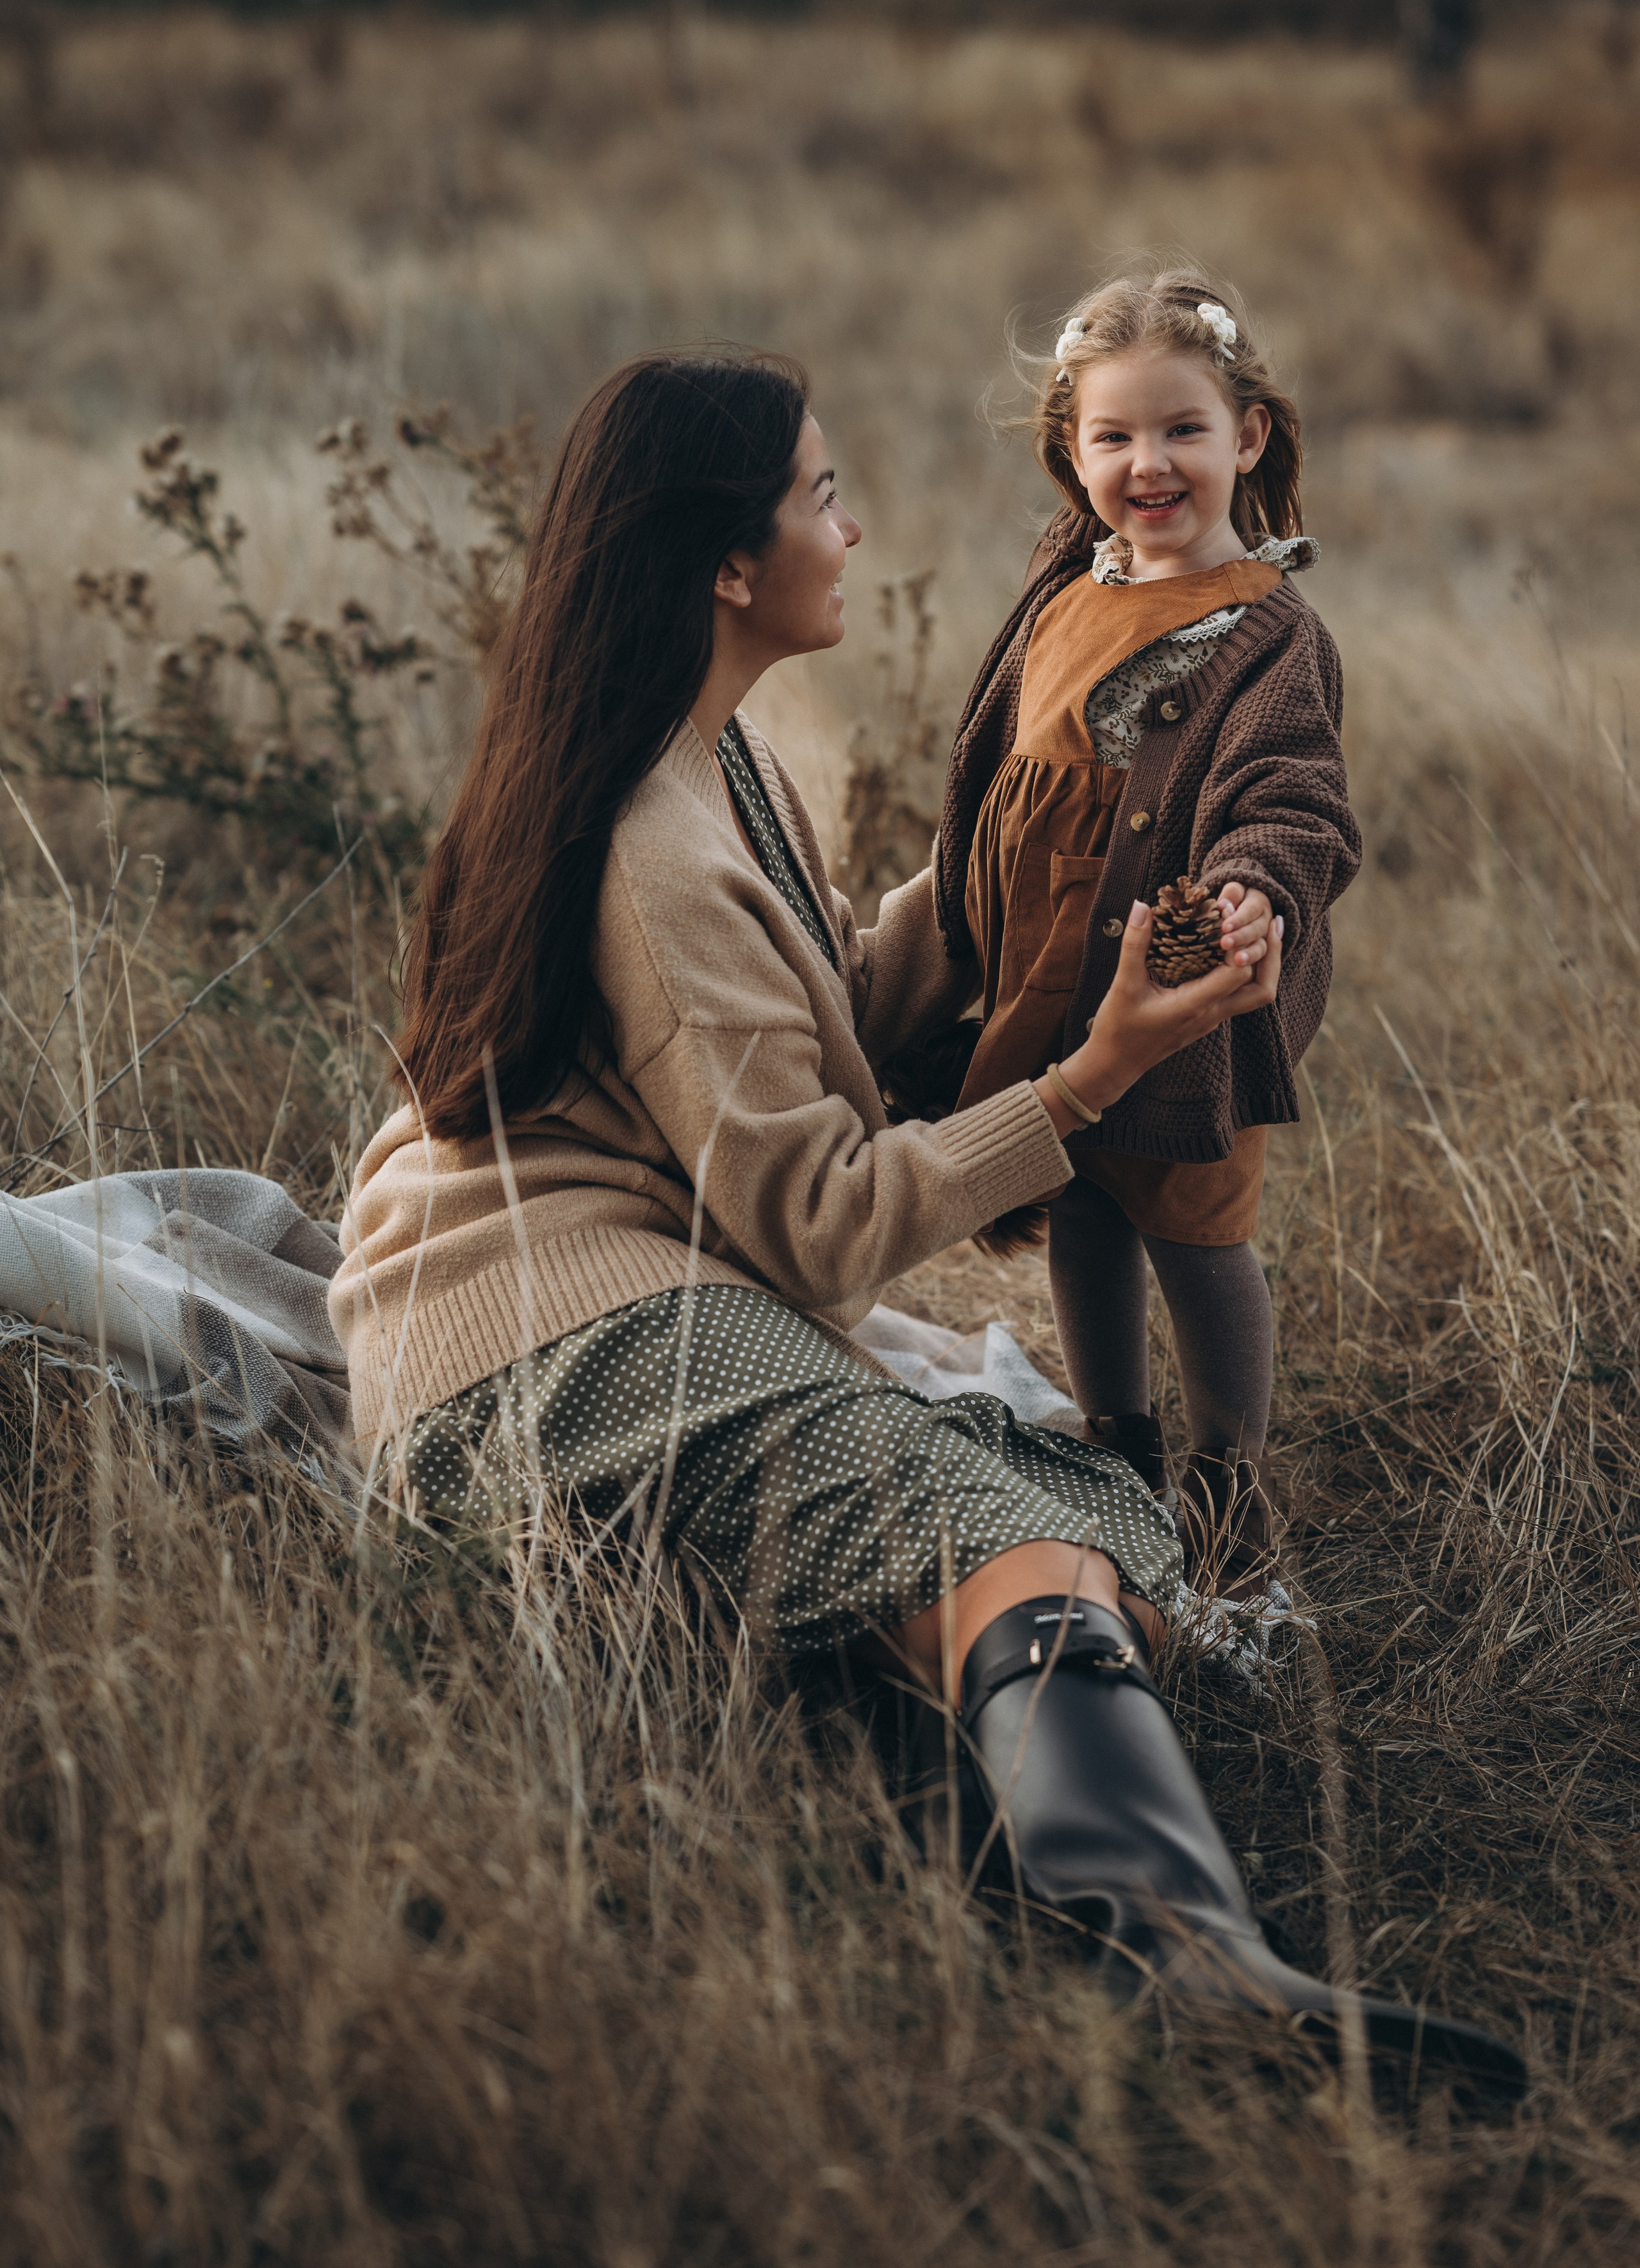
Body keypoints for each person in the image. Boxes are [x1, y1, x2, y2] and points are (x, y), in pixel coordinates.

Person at [329, 350, 1518, 2091]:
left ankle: (906, 1768)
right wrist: (1094, 1072)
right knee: (1007, 1537)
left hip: (614, 1291)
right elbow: (819, 1224)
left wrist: (1029, 892)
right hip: (545, 1333)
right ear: (731, 563)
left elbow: (817, 1016)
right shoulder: (653, 849)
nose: (853, 526)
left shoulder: (699, 758)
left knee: (1100, 1537)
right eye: (820, 497)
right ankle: (1176, 1954)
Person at [939, 270, 1359, 1597]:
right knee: (1078, 1197)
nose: (1147, 462)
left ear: (1247, 435)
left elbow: (1292, 796)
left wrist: (1254, 889)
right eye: (1111, 435)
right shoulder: (1067, 582)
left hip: (1178, 987)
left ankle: (1227, 1483)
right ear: (1069, 449)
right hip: (1049, 981)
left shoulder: (1264, 631)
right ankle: (1113, 1447)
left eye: (1181, 428)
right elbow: (1006, 757)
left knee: (1192, 1226)